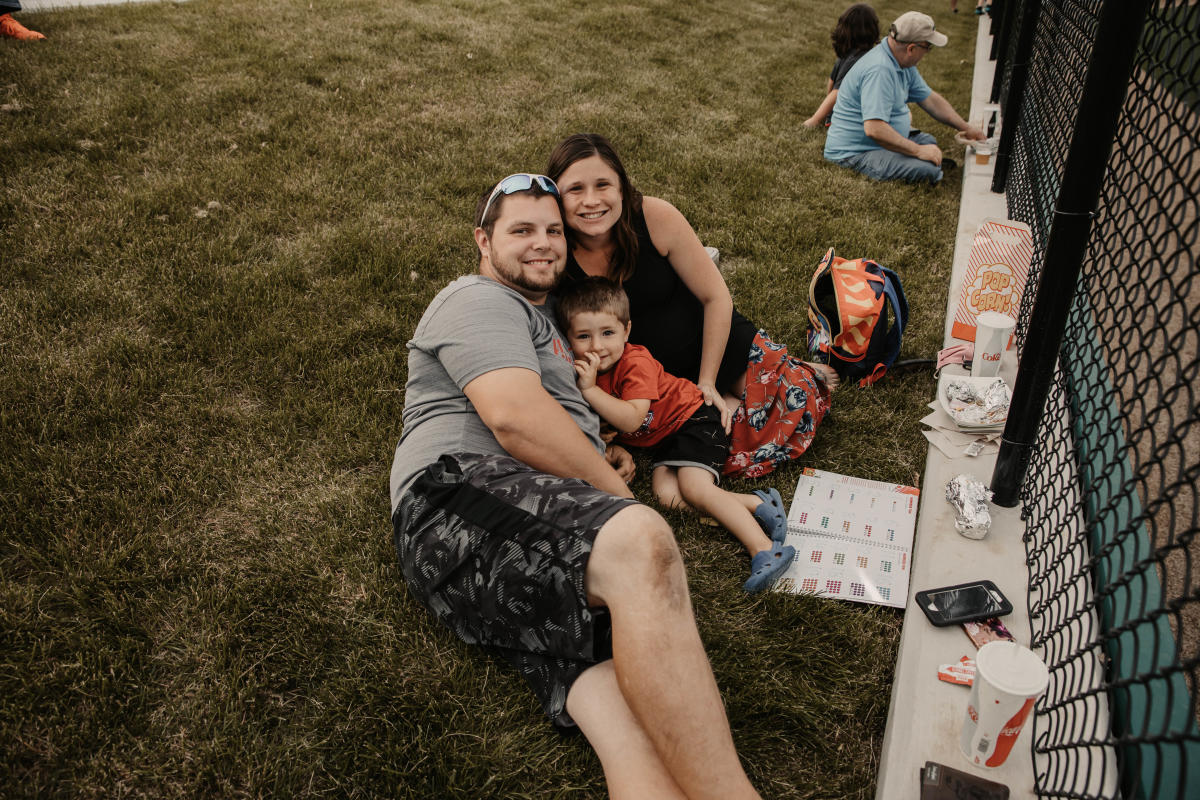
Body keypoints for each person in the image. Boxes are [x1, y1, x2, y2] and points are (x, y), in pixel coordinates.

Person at [390, 172, 765, 799]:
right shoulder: (477, 299)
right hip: (451, 494)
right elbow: (513, 417)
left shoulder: (548, 329)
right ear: (482, 241)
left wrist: (601, 455)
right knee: (640, 542)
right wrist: (612, 496)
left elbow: (558, 422)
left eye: (553, 231)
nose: (543, 243)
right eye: (522, 230)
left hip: (520, 536)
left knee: (614, 689)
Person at [546, 133, 836, 478]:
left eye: (603, 185)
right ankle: (775, 377)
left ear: (622, 187)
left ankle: (788, 372)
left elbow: (716, 297)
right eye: (575, 189)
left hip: (716, 349)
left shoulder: (655, 217)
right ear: (556, 197)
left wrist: (708, 382)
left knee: (790, 410)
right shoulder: (552, 250)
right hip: (651, 384)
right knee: (719, 444)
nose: (591, 200)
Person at [557, 277, 795, 592]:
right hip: (666, 437)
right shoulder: (589, 370)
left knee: (694, 488)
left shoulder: (634, 362)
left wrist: (588, 391)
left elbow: (631, 419)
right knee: (668, 496)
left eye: (608, 333)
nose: (597, 346)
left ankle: (764, 548)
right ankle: (755, 504)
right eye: (584, 336)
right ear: (568, 338)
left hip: (694, 418)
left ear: (627, 331)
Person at [823, 11, 985, 184]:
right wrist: (917, 151)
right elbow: (874, 129)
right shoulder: (880, 70)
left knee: (928, 141)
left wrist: (966, 128)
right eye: (927, 47)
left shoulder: (900, 62)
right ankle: (923, 164)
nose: (927, 53)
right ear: (911, 49)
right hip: (855, 152)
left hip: (877, 143)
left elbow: (930, 100)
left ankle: (918, 159)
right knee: (928, 170)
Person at [803, 4, 881, 129]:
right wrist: (815, 120)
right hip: (847, 120)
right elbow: (837, 92)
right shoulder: (861, 59)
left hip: (838, 116)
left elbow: (832, 83)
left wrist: (829, 113)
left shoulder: (845, 55)